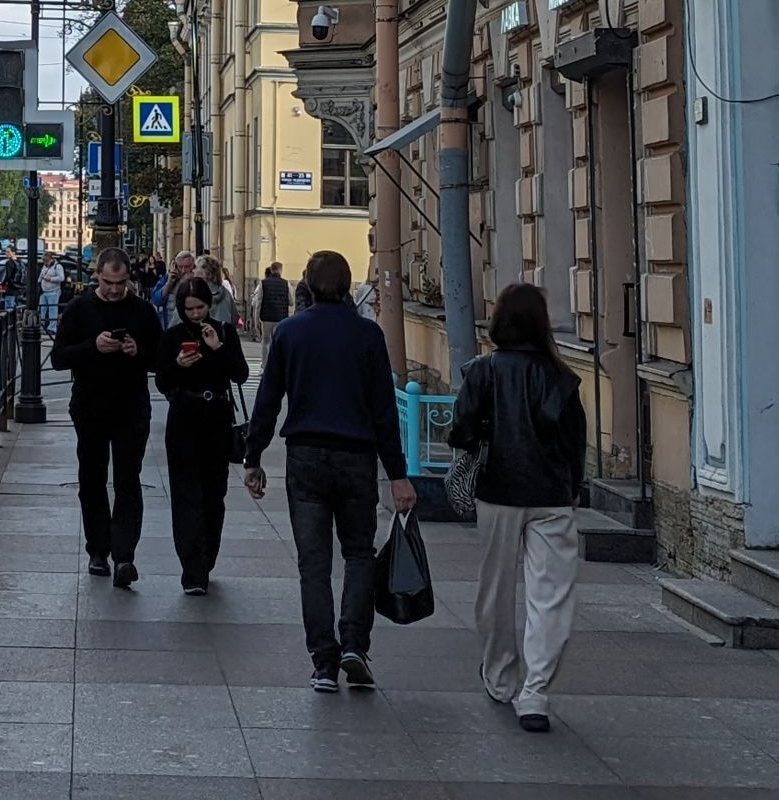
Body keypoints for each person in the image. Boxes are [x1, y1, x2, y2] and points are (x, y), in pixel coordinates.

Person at [242, 249, 416, 693]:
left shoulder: (290, 332)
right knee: (358, 553)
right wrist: (398, 474)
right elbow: (383, 412)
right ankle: (354, 644)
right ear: (347, 284)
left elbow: (268, 399)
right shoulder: (368, 334)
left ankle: (323, 662)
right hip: (356, 457)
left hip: (305, 456)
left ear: (306, 282)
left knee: (313, 564)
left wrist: (253, 455)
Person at [449, 282, 587, 734]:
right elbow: (574, 442)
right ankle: (536, 693)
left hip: (497, 491)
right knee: (551, 595)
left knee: (495, 588)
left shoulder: (482, 371)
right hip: (551, 495)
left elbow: (462, 430)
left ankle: (500, 676)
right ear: (542, 324)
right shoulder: (561, 377)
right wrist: (573, 487)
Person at [51, 245, 164, 588]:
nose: (115, 290)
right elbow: (58, 358)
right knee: (92, 478)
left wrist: (137, 351)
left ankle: (124, 555)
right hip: (90, 405)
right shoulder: (79, 308)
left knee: (128, 479)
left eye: (121, 283)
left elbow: (160, 359)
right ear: (96, 276)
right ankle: (98, 550)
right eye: (108, 282)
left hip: (131, 406)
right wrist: (93, 347)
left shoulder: (142, 310)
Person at [156, 274, 250, 593]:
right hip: (184, 418)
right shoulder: (173, 336)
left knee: (213, 494)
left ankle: (206, 557)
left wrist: (218, 349)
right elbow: (162, 381)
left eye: (200, 308)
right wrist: (179, 364)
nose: (196, 314)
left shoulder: (223, 332)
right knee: (186, 495)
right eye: (190, 309)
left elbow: (240, 373)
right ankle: (192, 569)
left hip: (216, 419)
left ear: (209, 306)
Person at [199, 254, 239, 333]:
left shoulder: (198, 292)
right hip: (225, 333)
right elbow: (234, 317)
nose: (193, 271)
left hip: (207, 334)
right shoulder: (225, 292)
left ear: (205, 273)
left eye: (196, 268)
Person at [153, 250, 196, 316]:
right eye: (180, 267)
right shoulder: (168, 278)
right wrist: (169, 283)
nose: (183, 271)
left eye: (187, 267)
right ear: (175, 266)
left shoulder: (197, 279)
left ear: (193, 266)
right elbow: (156, 300)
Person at [258, 261, 292, 335]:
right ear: (280, 270)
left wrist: (257, 318)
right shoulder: (286, 283)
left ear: (271, 270)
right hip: (281, 317)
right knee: (278, 338)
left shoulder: (263, 283)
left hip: (266, 317)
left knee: (266, 339)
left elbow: (259, 302)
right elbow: (291, 302)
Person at [38, 252, 65, 333]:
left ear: (52, 260)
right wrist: (39, 281)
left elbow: (61, 278)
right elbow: (41, 275)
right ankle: (41, 326)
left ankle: (52, 328)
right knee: (42, 309)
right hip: (44, 291)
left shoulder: (57, 266)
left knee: (52, 310)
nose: (45, 263)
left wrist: (51, 279)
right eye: (44, 261)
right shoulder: (44, 266)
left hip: (53, 291)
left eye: (47, 261)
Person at [1, 245, 21, 313]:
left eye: (8, 252)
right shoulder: (20, 262)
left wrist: (3, 283)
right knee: (17, 309)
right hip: (19, 289)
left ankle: (10, 319)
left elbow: (8, 275)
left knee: (9, 310)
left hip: (11, 289)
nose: (6, 253)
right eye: (6, 252)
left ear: (14, 252)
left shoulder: (9, 263)